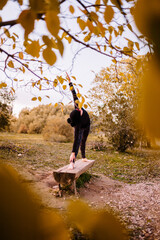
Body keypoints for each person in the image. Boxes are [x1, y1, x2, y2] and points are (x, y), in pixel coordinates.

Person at [66, 74, 90, 169]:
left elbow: (74, 94)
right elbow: (76, 141)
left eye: (78, 110)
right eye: (78, 111)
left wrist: (70, 83)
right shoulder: (78, 126)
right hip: (82, 125)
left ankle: (83, 157)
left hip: (87, 125)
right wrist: (73, 153)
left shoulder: (77, 106)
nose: (79, 109)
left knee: (84, 141)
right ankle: (72, 162)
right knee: (78, 141)